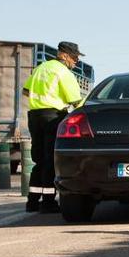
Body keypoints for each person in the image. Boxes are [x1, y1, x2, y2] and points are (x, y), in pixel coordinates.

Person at [21, 41, 85, 213]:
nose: (75, 61)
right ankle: (48, 202)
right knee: (50, 161)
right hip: (53, 117)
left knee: (39, 160)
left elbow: (25, 91)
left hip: (35, 116)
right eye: (74, 57)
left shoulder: (41, 68)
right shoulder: (63, 72)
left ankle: (32, 202)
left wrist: (43, 97)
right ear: (64, 55)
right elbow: (76, 102)